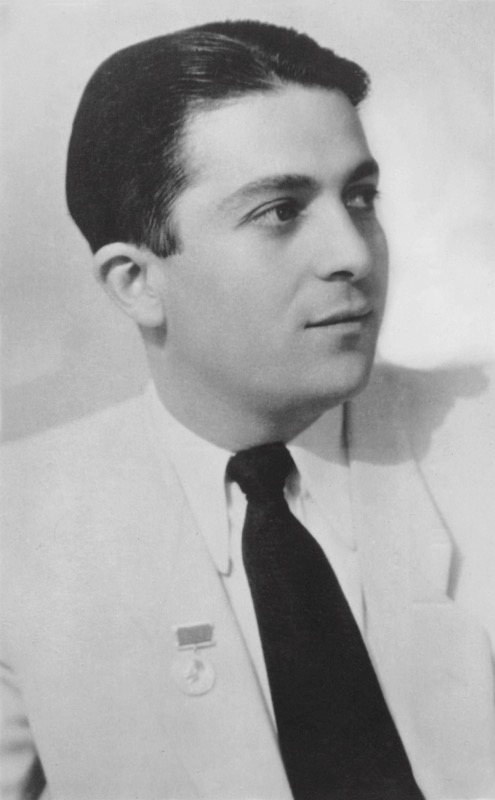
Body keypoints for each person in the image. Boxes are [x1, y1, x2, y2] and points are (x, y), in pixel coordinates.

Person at [1, 19, 494, 800]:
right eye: (279, 211)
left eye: (360, 197)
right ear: (136, 282)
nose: (353, 254)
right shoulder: (22, 531)